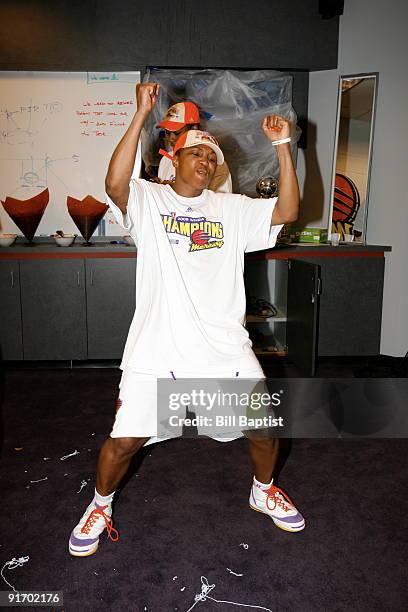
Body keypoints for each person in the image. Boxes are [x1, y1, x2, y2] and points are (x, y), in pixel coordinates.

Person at [68, 83, 304, 558]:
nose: (207, 160)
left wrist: (282, 148)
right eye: (197, 151)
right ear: (173, 159)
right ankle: (99, 504)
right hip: (159, 345)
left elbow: (288, 210)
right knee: (126, 441)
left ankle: (263, 491)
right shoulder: (149, 200)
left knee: (263, 430)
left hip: (223, 347)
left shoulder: (231, 210)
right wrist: (139, 114)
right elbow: (114, 184)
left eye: (213, 157)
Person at [153, 100, 232, 192]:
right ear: (175, 161)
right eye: (167, 132)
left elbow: (221, 203)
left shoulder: (215, 165)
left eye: (177, 132)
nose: (171, 138)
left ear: (194, 128)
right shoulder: (166, 160)